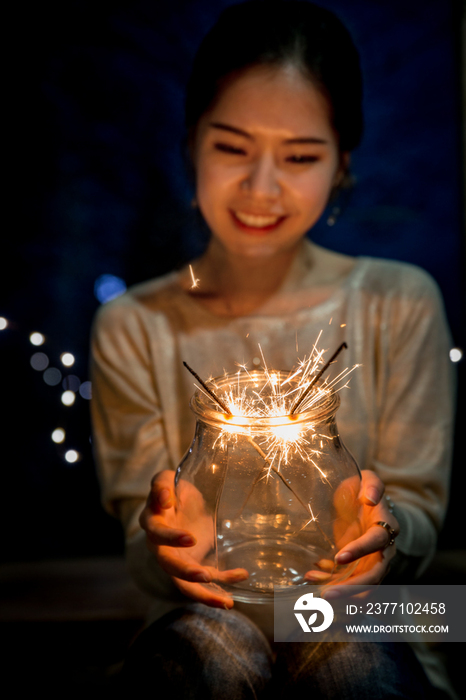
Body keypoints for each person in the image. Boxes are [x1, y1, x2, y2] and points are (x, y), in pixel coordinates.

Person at [90, 1, 455, 697]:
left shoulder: (399, 302)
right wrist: (168, 544)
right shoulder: (135, 325)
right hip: (197, 627)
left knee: (346, 650)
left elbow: (421, 539)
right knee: (212, 649)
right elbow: (144, 561)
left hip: (388, 624)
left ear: (343, 164)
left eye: (300, 156)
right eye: (232, 147)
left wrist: (384, 534)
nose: (262, 187)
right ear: (190, 143)